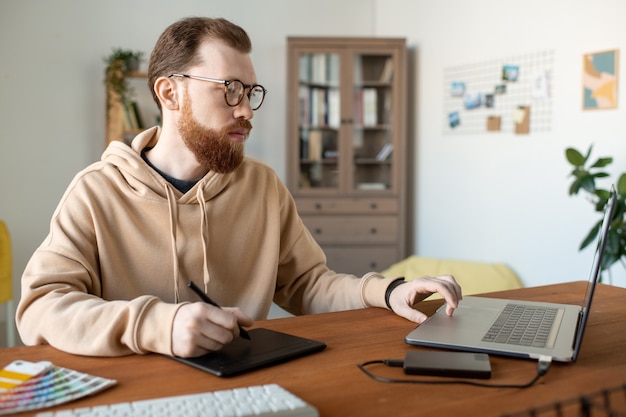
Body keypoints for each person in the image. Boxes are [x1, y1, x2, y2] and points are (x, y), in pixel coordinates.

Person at [16, 17, 462, 358]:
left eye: (251, 92)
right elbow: (39, 308)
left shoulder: (263, 186)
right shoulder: (95, 192)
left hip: (243, 382)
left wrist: (384, 292)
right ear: (169, 94)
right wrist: (158, 325)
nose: (247, 110)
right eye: (230, 89)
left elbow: (308, 285)